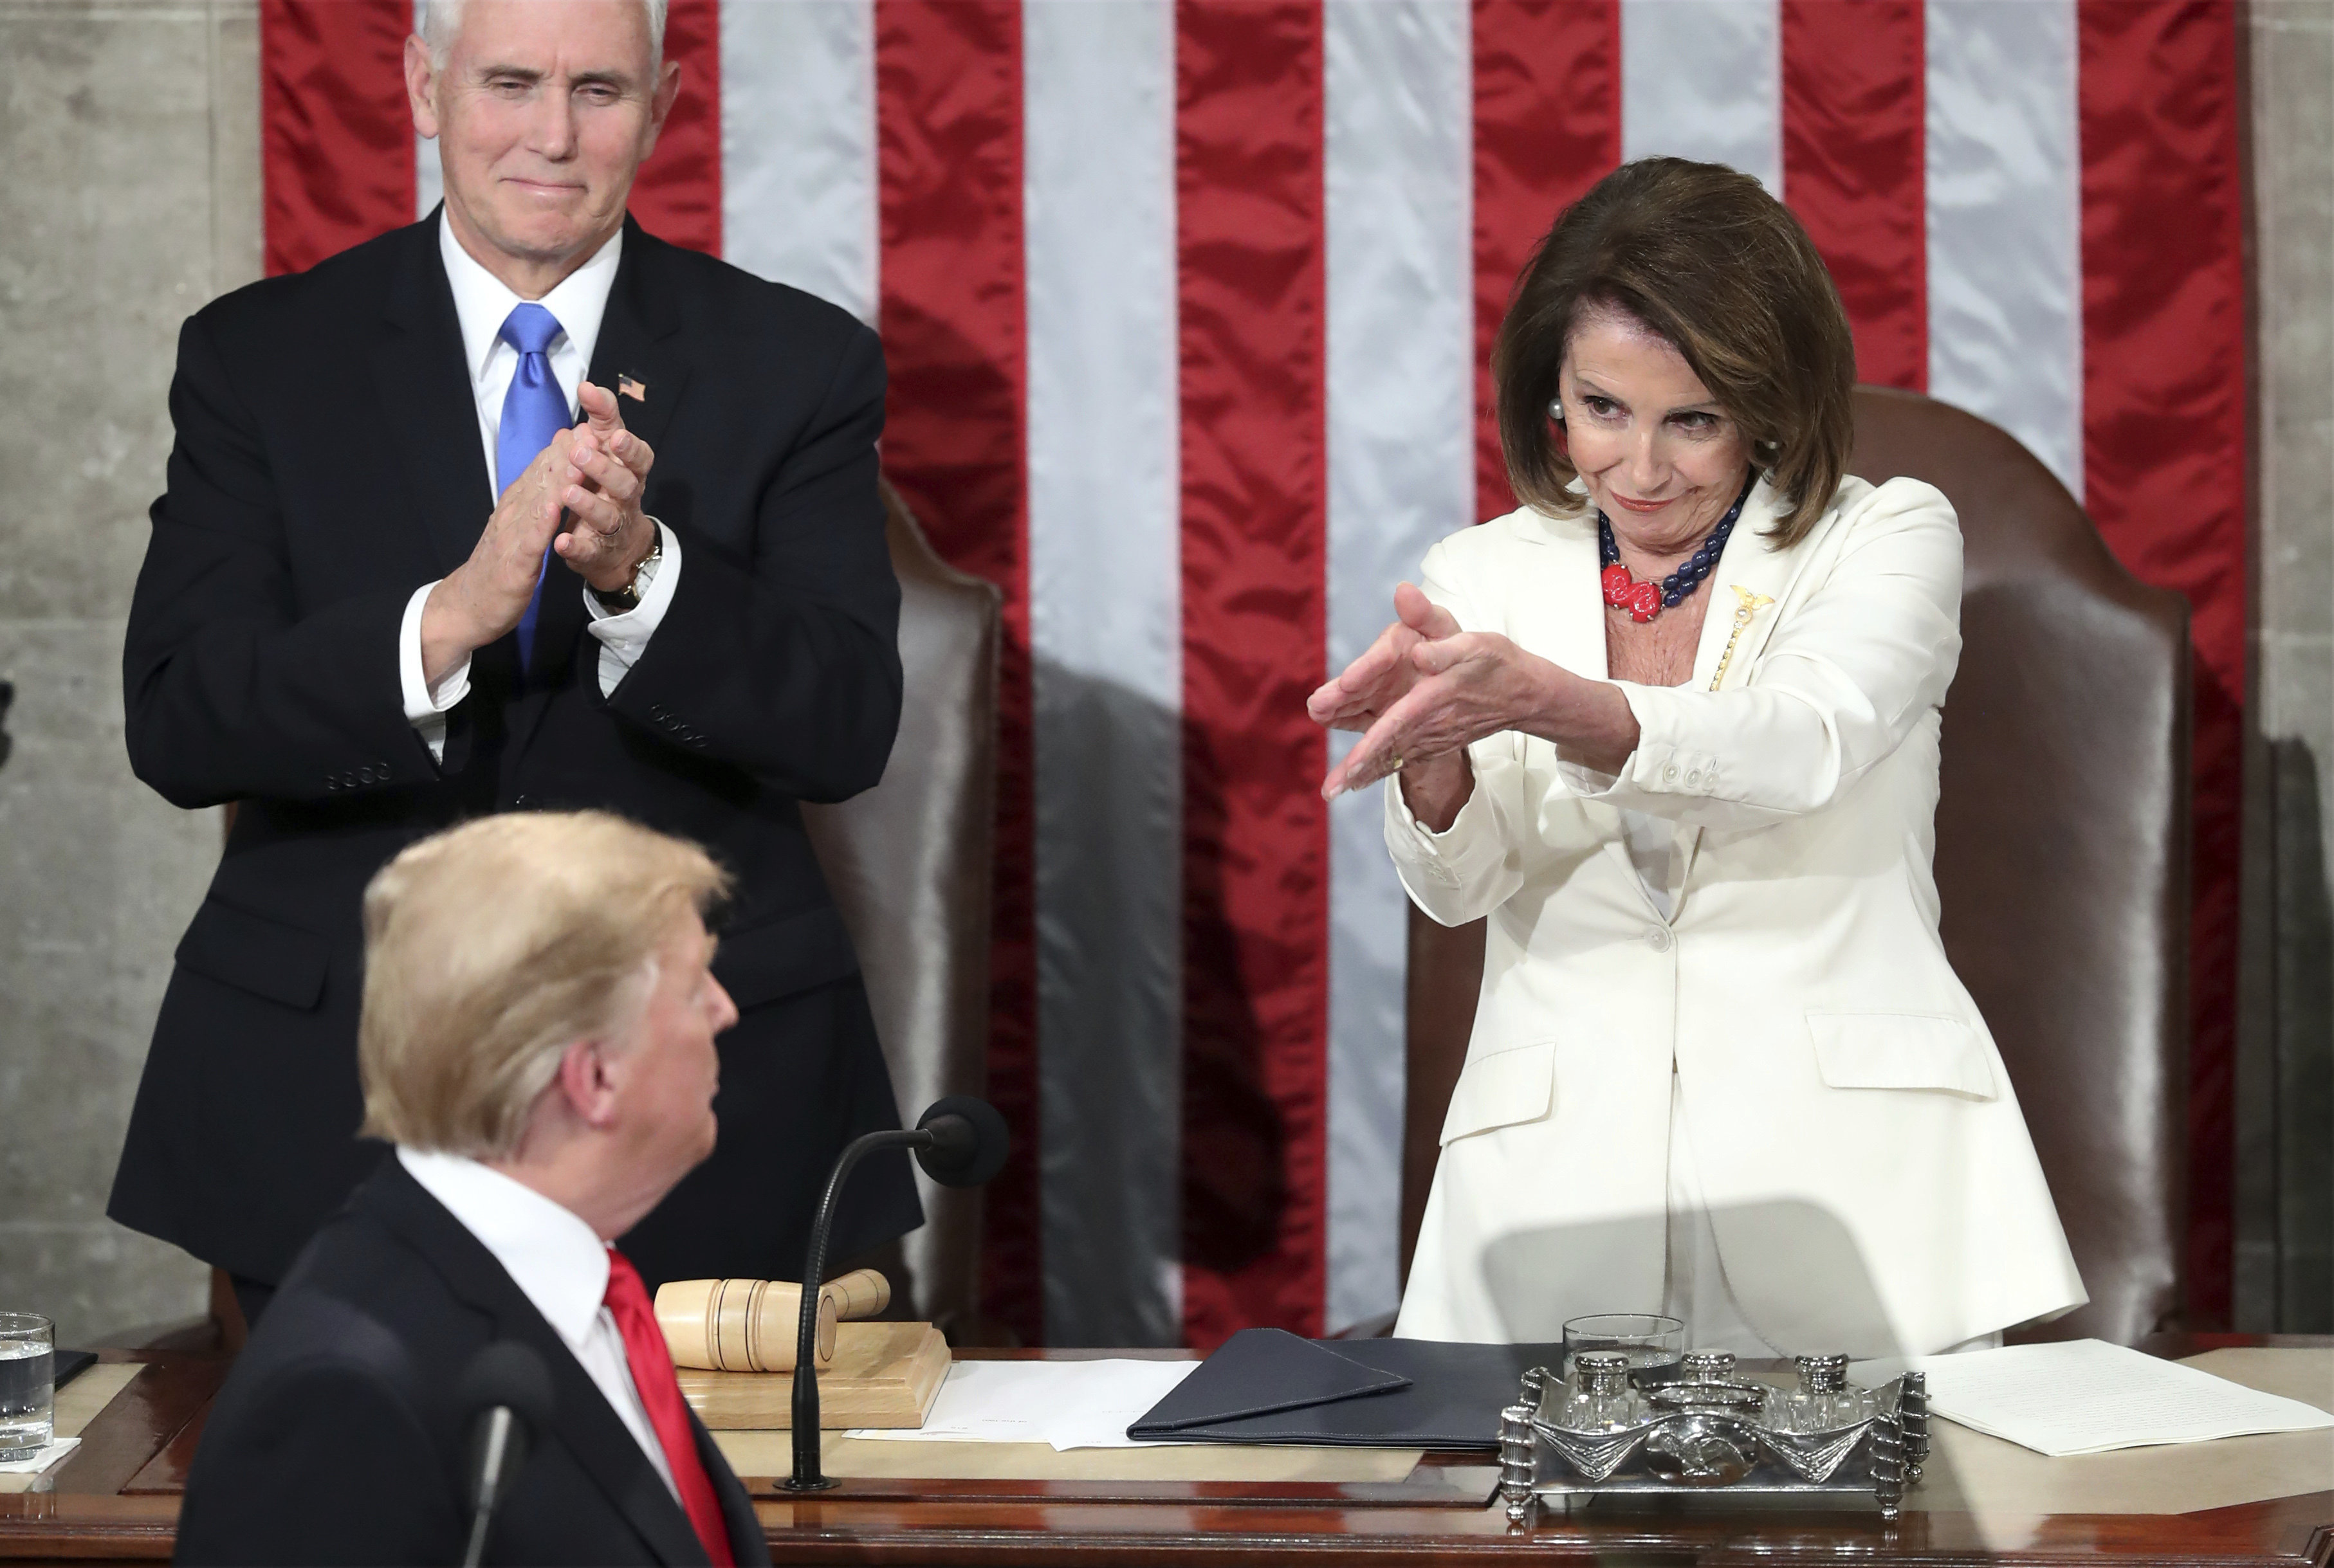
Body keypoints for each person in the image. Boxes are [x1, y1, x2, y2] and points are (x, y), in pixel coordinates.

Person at [110, 0, 919, 1327]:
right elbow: (181, 719)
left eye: (598, 90)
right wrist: (446, 618)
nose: (553, 134)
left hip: (707, 1113)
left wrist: (645, 576)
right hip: (330, 1100)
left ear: (661, 105)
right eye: (509, 83)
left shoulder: (800, 362)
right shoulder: (258, 358)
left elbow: (845, 724)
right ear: (424, 86)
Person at [1309, 158, 2085, 1358]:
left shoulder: (1884, 535)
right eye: (1601, 409)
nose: (1639, 467)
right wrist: (1432, 765)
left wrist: (1562, 705)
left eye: (1693, 420)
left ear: (1767, 405)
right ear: (1548, 396)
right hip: (1551, 1205)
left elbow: (1801, 741)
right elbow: (1459, 889)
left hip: (1856, 1200)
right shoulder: (1481, 573)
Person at [177, 812, 766, 1565]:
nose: (726, 1008)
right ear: (593, 1077)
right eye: (694, 987)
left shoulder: (579, 1287)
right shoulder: (342, 1395)